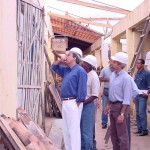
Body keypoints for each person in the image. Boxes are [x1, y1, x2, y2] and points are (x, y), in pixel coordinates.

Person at [51, 47, 87, 150]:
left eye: (69, 55)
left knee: (73, 131)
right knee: (66, 130)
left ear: (74, 57)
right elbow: (53, 66)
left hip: (74, 102)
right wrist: (60, 60)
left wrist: (78, 104)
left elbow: (82, 90)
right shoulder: (67, 70)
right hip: (65, 103)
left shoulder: (80, 71)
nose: (66, 57)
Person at [105, 52, 132, 150]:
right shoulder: (113, 75)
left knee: (122, 135)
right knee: (113, 133)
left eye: (114, 62)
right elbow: (111, 93)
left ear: (120, 65)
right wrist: (108, 105)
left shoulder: (126, 78)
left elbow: (126, 98)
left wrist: (122, 114)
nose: (112, 63)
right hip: (113, 106)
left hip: (120, 107)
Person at [80, 55, 100, 150]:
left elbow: (94, 95)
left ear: (88, 65)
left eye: (84, 63)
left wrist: (83, 103)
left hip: (88, 105)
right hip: (82, 104)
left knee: (86, 132)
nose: (82, 63)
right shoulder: (85, 74)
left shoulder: (94, 77)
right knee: (82, 130)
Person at [134, 59, 150, 136]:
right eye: (137, 63)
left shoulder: (146, 74)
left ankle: (144, 130)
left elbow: (149, 85)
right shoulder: (137, 74)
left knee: (142, 113)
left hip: (143, 96)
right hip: (137, 95)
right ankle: (139, 129)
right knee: (137, 112)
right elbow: (135, 85)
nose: (137, 65)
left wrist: (147, 93)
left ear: (142, 65)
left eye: (139, 63)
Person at [99, 58, 114, 129]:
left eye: (113, 62)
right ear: (109, 62)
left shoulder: (117, 70)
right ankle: (104, 122)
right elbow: (100, 78)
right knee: (105, 107)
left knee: (114, 108)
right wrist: (107, 79)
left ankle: (113, 123)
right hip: (106, 90)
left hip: (115, 91)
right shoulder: (104, 70)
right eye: (111, 62)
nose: (112, 63)